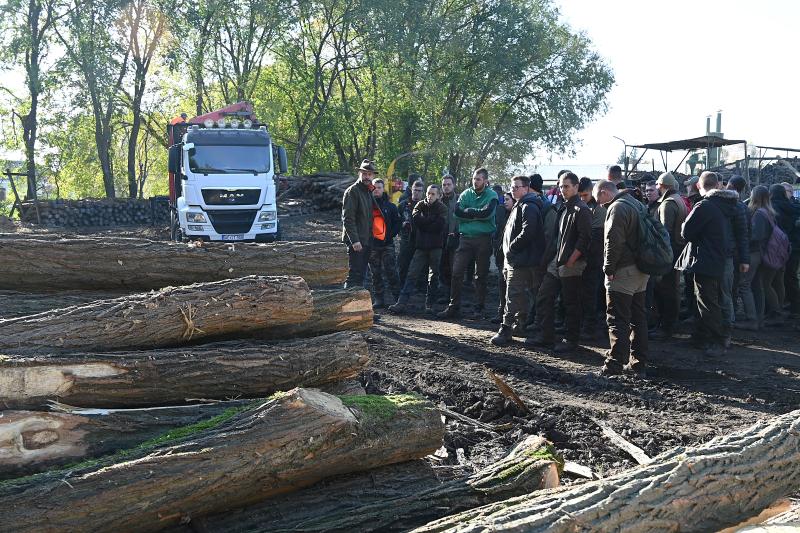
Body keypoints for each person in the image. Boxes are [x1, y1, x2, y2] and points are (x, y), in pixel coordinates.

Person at [678, 172, 745, 356]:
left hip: (704, 260)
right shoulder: (728, 204)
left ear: (699, 186)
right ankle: (706, 337)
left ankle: (717, 341)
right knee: (717, 300)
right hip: (720, 258)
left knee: (707, 303)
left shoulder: (704, 206)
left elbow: (686, 232)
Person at [526, 172, 591, 352]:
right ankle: (545, 335)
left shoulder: (581, 209)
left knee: (571, 302)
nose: (563, 190)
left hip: (572, 263)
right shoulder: (563, 207)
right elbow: (556, 238)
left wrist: (571, 260)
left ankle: (571, 340)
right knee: (544, 296)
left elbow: (585, 239)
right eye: (561, 186)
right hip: (557, 261)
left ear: (576, 187)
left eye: (567, 186)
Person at [592, 179, 649, 377]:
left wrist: (608, 268)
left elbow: (613, 242)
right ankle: (638, 363)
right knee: (638, 318)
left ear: (605, 192)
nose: (599, 204)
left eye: (598, 198)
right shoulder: (637, 203)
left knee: (617, 318)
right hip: (642, 269)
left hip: (623, 270)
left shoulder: (617, 208)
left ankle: (614, 365)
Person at [491, 176, 545, 346]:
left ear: (526, 188)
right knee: (520, 295)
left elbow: (528, 231)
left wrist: (512, 247)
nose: (513, 190)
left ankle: (506, 329)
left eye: (517, 187)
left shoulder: (528, 206)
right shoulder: (521, 205)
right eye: (512, 187)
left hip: (522, 260)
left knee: (513, 295)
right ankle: (520, 325)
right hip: (519, 259)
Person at [438, 168, 497, 319]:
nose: (475, 181)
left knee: (480, 275)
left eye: (478, 179)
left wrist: (469, 212)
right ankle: (453, 307)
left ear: (485, 180)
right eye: (474, 178)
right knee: (456, 272)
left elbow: (488, 213)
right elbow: (457, 213)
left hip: (483, 239)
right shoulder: (465, 194)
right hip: (465, 239)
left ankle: (479, 308)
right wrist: (476, 213)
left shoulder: (492, 195)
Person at [389, 185, 448, 315]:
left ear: (438, 195)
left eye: (433, 194)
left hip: (436, 247)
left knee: (433, 276)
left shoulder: (442, 208)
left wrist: (425, 221)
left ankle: (429, 304)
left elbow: (438, 226)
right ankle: (401, 303)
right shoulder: (419, 205)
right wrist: (430, 220)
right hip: (421, 247)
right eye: (428, 193)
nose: (430, 196)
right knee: (412, 274)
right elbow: (415, 221)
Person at [649, 172, 687, 339]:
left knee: (667, 290)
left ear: (663, 185)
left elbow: (664, 233)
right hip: (676, 251)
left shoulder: (667, 204)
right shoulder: (678, 200)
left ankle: (666, 327)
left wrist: (661, 257)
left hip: (669, 254)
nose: (656, 188)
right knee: (671, 290)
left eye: (657, 185)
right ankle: (668, 325)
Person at [744, 186, 778, 329]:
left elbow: (756, 236)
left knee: (744, 285)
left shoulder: (759, 214)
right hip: (762, 253)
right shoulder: (770, 212)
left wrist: (743, 239)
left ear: (755, 196)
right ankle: (759, 318)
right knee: (757, 286)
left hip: (754, 253)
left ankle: (752, 319)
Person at [341, 159, 377, 288]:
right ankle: (347, 305)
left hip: (366, 240)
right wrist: (355, 241)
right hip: (356, 243)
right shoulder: (353, 191)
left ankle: (356, 305)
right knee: (353, 276)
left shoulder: (368, 192)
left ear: (373, 176)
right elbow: (348, 219)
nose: (367, 176)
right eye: (364, 173)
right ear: (359, 173)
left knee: (361, 275)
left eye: (369, 174)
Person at [368, 179, 402, 309]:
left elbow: (397, 224)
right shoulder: (368, 206)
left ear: (383, 189)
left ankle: (398, 298)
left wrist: (388, 235)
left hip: (387, 244)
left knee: (391, 272)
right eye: (374, 187)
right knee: (375, 273)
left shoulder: (391, 206)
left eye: (379, 187)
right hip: (373, 245)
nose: (377, 189)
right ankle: (379, 299)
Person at [578, 177, 605, 339]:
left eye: (585, 195)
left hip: (594, 258)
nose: (582, 198)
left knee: (591, 293)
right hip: (586, 257)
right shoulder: (586, 207)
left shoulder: (599, 210)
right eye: (580, 195)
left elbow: (595, 238)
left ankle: (590, 327)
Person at [772, 183, 800, 317]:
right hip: (792, 245)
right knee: (787, 276)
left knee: (785, 276)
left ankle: (791, 305)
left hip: (785, 246)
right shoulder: (794, 207)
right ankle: (791, 304)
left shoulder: (775, 207)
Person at [491, 190, 514, 323]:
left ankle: (510, 315)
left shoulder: (517, 214)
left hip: (511, 255)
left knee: (510, 286)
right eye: (504, 199)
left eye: (507, 199)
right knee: (501, 284)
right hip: (501, 253)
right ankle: (501, 312)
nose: (505, 202)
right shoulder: (500, 213)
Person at [397, 180, 425, 284]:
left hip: (421, 240)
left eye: (419, 190)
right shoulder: (403, 205)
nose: (417, 192)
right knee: (403, 264)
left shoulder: (426, 206)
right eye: (415, 190)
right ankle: (401, 285)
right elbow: (395, 222)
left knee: (421, 266)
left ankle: (419, 288)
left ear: (423, 192)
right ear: (411, 190)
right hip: (406, 240)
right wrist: (402, 225)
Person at [438, 175, 459, 300]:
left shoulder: (459, 200)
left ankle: (454, 297)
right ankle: (444, 294)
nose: (446, 187)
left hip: (455, 239)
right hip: (439, 239)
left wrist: (456, 233)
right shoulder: (438, 200)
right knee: (442, 267)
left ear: (453, 185)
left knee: (454, 269)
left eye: (448, 184)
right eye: (444, 184)